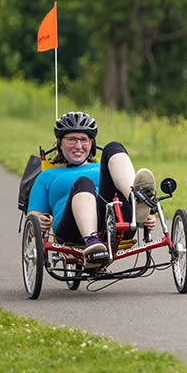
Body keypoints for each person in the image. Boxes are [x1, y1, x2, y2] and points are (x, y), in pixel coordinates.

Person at [25, 111, 157, 269]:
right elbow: (33, 217)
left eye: (83, 139)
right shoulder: (46, 176)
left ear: (92, 143)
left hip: (115, 223)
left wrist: (147, 216)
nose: (78, 146)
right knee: (83, 183)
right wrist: (38, 220)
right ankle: (92, 242)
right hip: (72, 230)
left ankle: (136, 201)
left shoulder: (104, 166)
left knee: (114, 147)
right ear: (59, 142)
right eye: (71, 139)